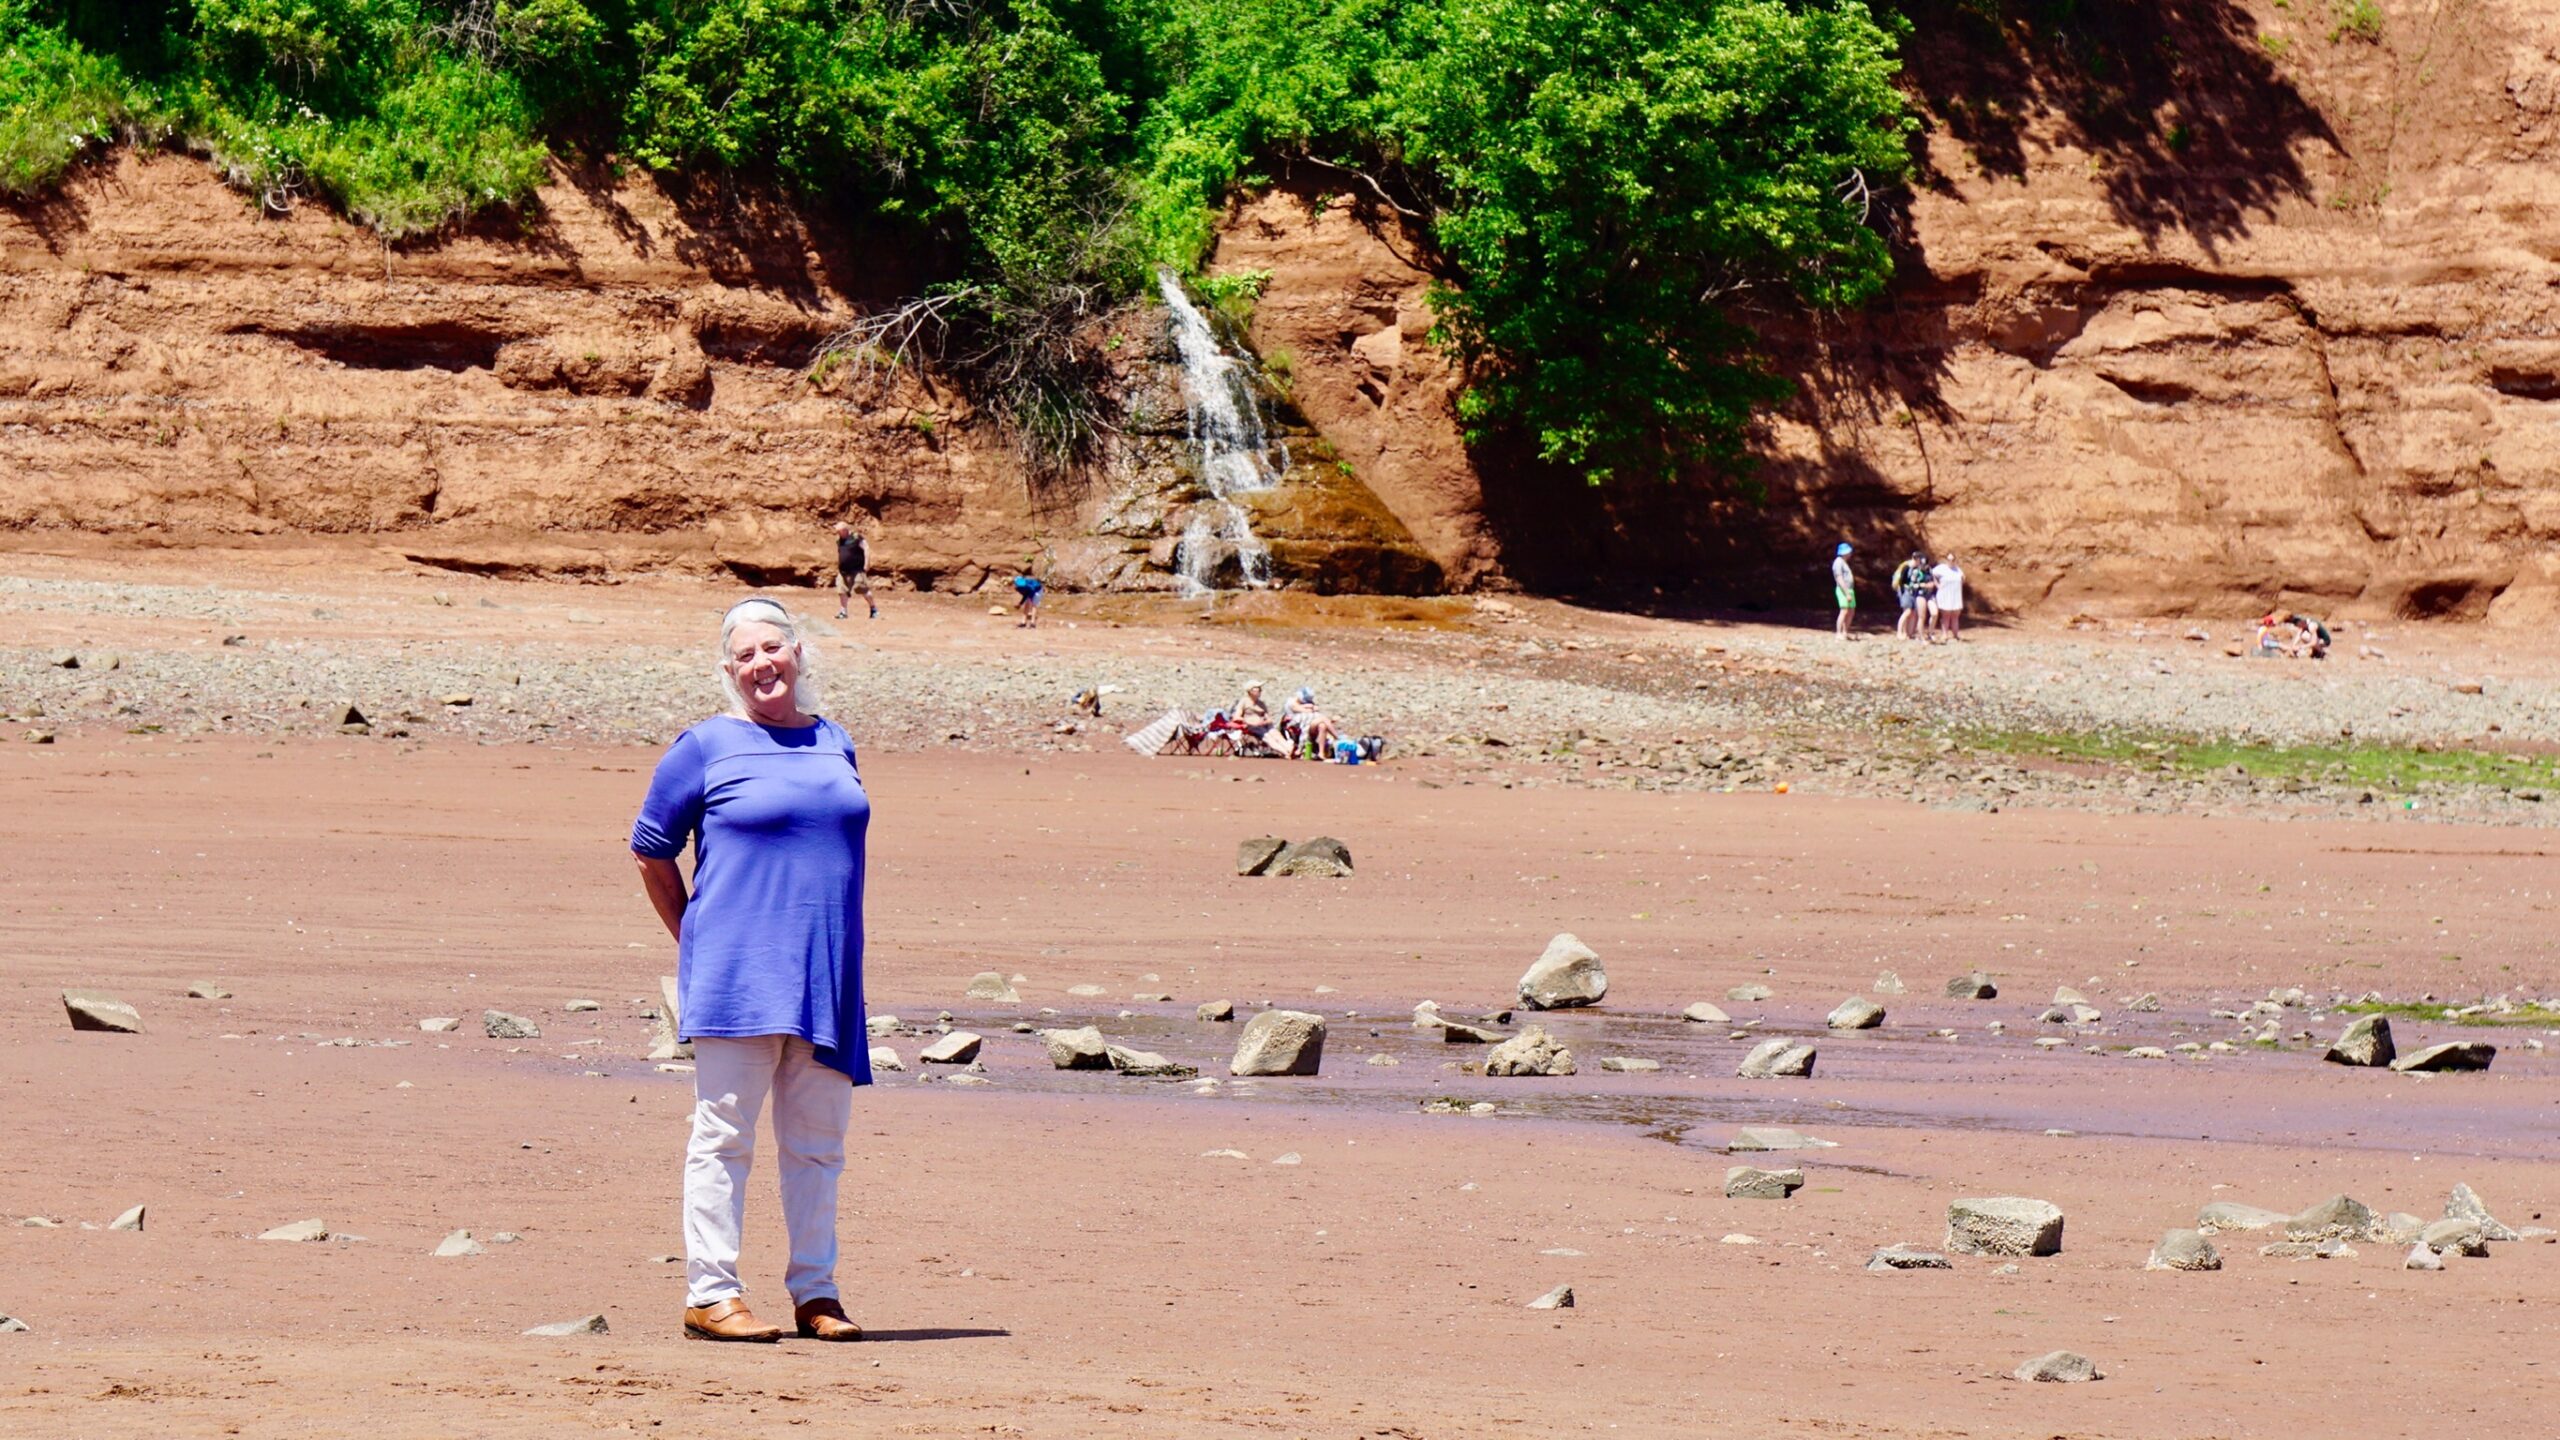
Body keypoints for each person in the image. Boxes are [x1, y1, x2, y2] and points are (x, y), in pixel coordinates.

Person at [630, 598, 870, 1346]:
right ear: (729, 670)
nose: (762, 663)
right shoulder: (705, 746)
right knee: (724, 1135)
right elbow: (650, 848)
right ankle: (711, 1292)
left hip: (826, 974)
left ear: (798, 655)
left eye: (774, 648)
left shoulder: (836, 742)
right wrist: (697, 939)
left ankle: (816, 1292)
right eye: (746, 655)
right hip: (739, 975)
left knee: (818, 1145)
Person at [833, 522, 876, 621]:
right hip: (843, 570)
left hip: (856, 569)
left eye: (839, 531)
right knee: (841, 590)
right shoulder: (839, 540)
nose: (837, 533)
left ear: (845, 530)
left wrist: (867, 563)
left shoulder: (856, 538)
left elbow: (866, 548)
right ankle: (843, 611)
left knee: (861, 588)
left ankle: (873, 608)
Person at [1283, 686, 1339, 760]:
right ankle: (1338, 737)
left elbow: (1314, 710)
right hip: (1296, 724)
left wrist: (1311, 707)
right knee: (1323, 719)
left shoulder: (1308, 703)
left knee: (1322, 726)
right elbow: (1303, 710)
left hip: (1309, 723)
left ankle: (1321, 753)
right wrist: (1309, 707)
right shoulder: (1291, 702)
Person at [1890, 551, 1930, 641]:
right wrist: (1904, 592)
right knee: (1907, 611)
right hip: (1906, 592)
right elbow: (1902, 581)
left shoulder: (1917, 568)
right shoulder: (1906, 567)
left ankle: (1909, 633)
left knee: (1913, 613)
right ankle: (1900, 632)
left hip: (1913, 592)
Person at [1929, 553, 1965, 641]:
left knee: (1955, 616)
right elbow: (1931, 573)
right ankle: (1944, 635)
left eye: (1953, 560)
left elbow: (1962, 578)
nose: (1951, 561)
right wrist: (1936, 584)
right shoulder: (1941, 568)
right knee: (1946, 616)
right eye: (1949, 559)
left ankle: (1955, 634)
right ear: (1946, 560)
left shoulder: (1957, 569)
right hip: (1945, 595)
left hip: (1956, 595)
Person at [1831, 542, 1857, 640]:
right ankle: (1838, 633)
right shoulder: (1838, 562)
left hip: (1850, 589)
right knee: (1844, 610)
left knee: (1851, 611)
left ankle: (1845, 632)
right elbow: (1839, 578)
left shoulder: (1844, 562)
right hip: (1843, 590)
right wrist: (1846, 592)